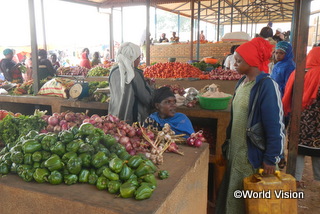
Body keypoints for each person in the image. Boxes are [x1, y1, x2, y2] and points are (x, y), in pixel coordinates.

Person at [215, 37, 285, 214]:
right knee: (235, 199)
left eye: (239, 61)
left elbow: (275, 125)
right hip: (237, 153)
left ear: (252, 61)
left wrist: (271, 158)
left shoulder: (267, 86)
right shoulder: (242, 83)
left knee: (253, 203)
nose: (235, 64)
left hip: (253, 156)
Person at [282, 46, 320, 188]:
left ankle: (295, 178)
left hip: (299, 119)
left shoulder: (297, 72)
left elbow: (289, 94)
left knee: (297, 150)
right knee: (317, 151)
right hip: (317, 122)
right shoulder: (319, 73)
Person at [108, 42, 153, 124]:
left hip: (114, 117)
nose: (139, 61)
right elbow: (146, 98)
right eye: (138, 58)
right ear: (132, 59)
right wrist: (149, 86)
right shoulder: (134, 74)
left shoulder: (113, 71)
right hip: (131, 119)